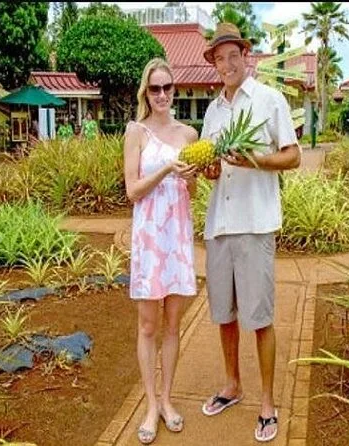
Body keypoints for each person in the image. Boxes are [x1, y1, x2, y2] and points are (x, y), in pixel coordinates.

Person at [199, 22, 301, 443]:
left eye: (232, 56)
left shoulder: (269, 100)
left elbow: (293, 156)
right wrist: (208, 169)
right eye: (219, 59)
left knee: (259, 318)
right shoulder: (212, 111)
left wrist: (255, 160)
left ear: (246, 56)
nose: (226, 65)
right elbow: (210, 167)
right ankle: (232, 385)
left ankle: (267, 403)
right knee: (224, 315)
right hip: (219, 224)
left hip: (255, 224)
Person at [123, 58, 199, 444]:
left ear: (174, 89)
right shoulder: (135, 131)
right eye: (155, 88)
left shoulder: (189, 134)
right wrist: (168, 170)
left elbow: (193, 192)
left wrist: (191, 177)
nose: (162, 94)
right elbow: (132, 191)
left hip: (177, 237)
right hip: (150, 238)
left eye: (167, 87)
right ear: (146, 92)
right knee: (148, 326)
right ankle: (150, 405)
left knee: (172, 325)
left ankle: (167, 399)